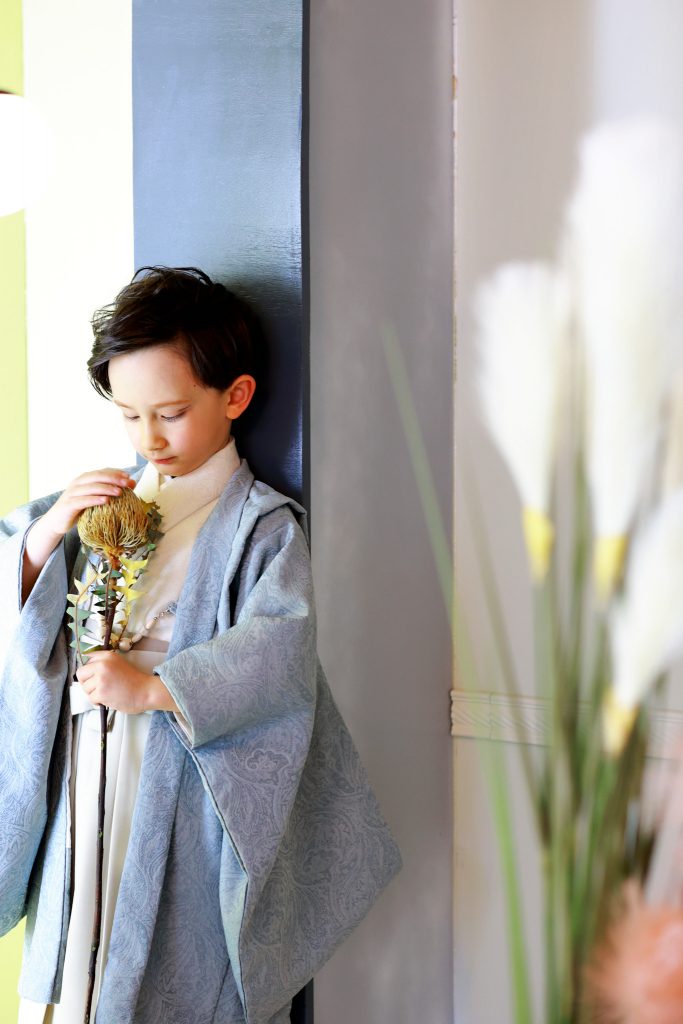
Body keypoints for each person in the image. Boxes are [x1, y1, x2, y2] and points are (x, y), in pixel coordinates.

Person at [0, 267, 401, 1024]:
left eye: (171, 413)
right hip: (88, 763)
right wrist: (48, 535)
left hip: (172, 769)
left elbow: (277, 647)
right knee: (78, 931)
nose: (149, 439)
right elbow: (24, 608)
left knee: (157, 952)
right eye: (127, 416)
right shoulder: (104, 503)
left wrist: (156, 689)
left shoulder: (262, 525)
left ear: (236, 397)